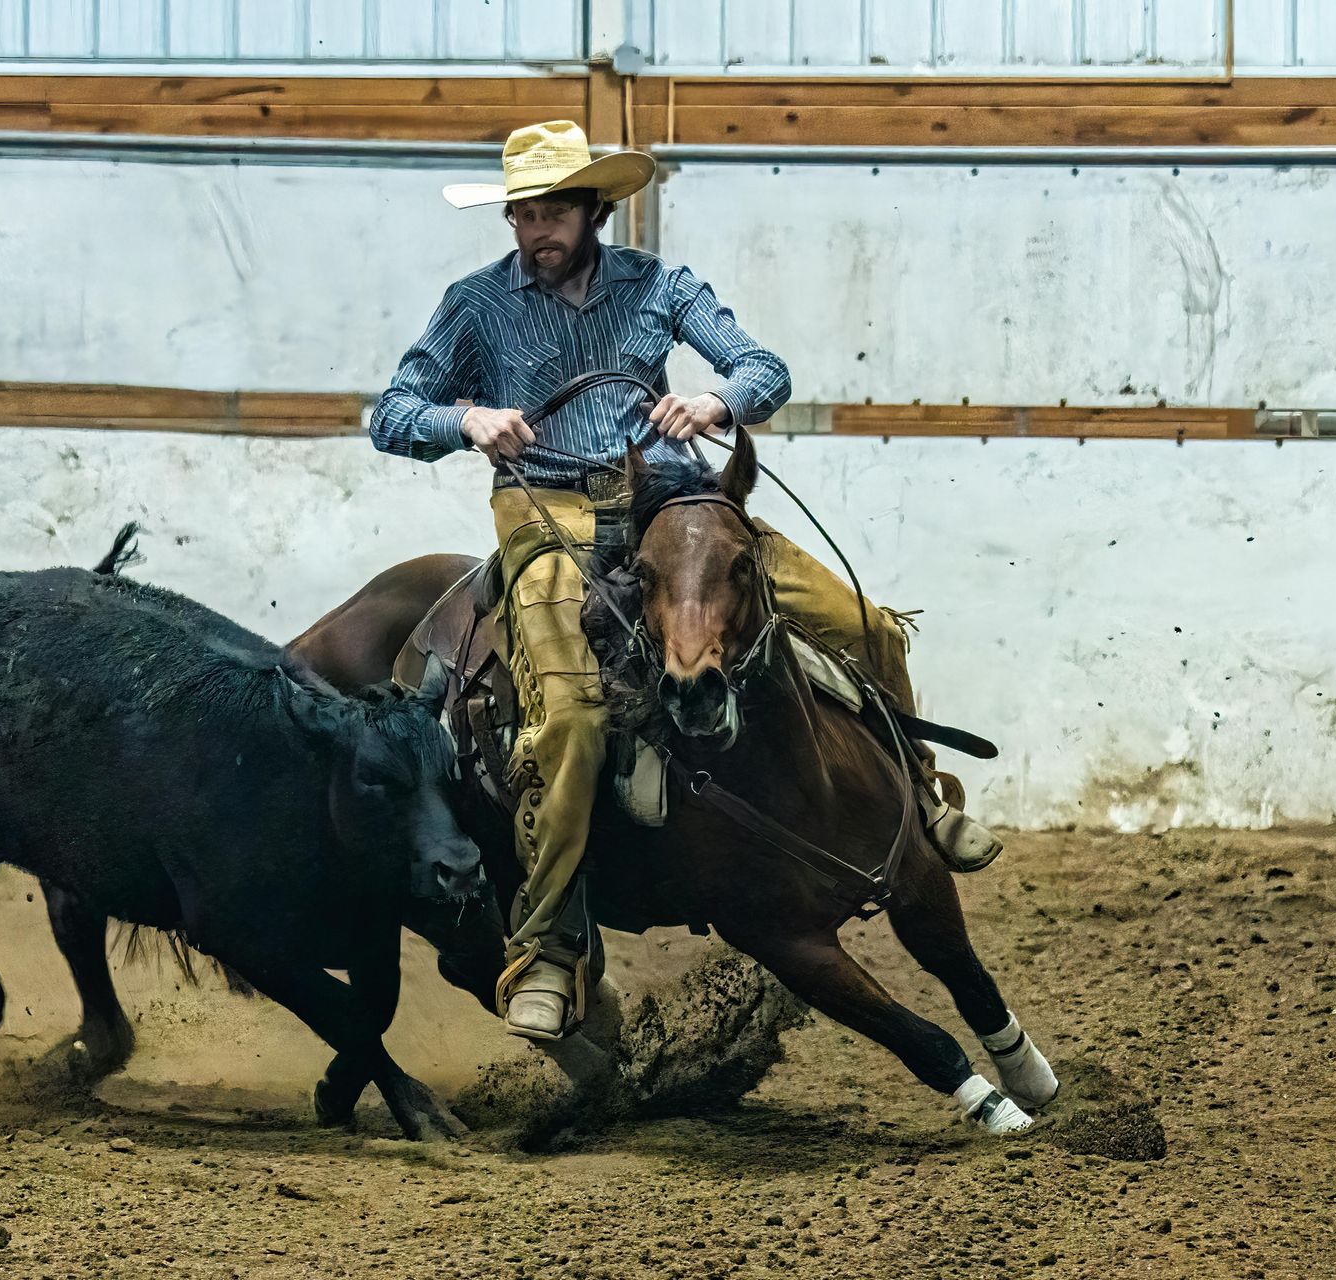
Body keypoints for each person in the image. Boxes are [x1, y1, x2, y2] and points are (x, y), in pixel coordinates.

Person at [370, 120, 999, 1041]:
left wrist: (716, 400)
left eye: (550, 211)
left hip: (673, 508)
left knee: (867, 628)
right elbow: (391, 412)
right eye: (521, 213)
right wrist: (466, 421)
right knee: (575, 720)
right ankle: (546, 944)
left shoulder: (659, 287)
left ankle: (924, 795)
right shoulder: (473, 306)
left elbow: (763, 368)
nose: (533, 229)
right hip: (549, 516)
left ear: (595, 210)